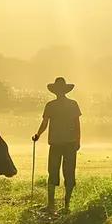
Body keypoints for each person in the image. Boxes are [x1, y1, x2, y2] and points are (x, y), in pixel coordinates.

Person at [33, 77, 81, 211]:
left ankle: (52, 205)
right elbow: (77, 125)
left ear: (55, 91)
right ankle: (65, 204)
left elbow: (44, 124)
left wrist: (38, 135)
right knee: (68, 172)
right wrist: (78, 140)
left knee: (54, 171)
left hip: (57, 143)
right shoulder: (72, 104)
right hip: (68, 143)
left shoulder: (51, 105)